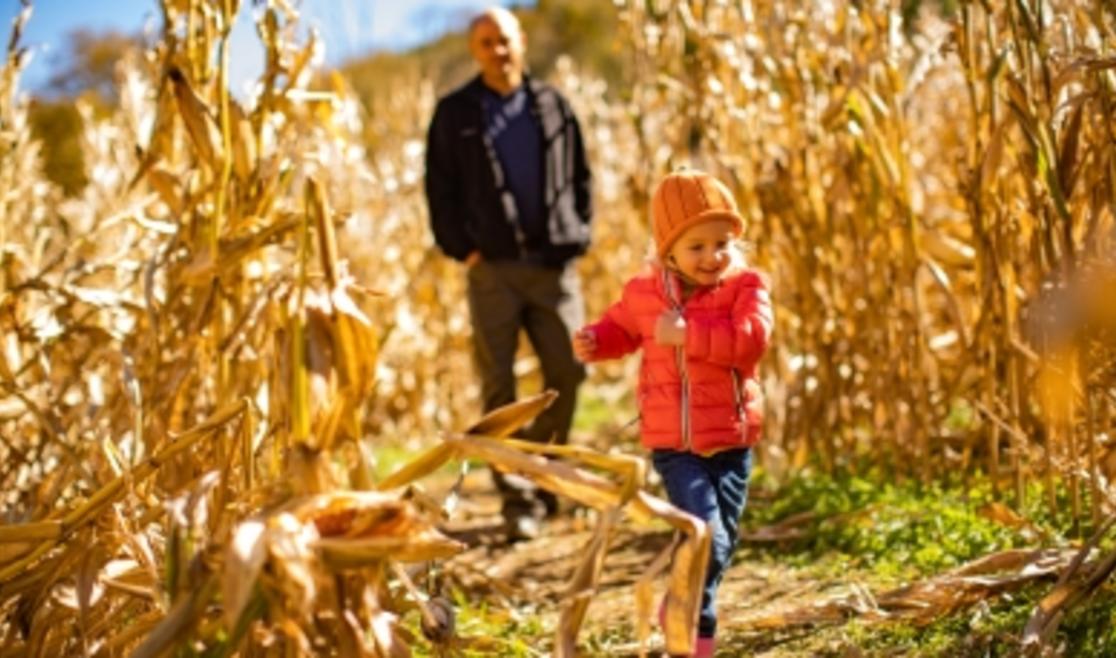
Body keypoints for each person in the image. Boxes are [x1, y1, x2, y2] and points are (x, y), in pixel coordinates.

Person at [572, 169, 773, 656]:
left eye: (721, 242)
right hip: (675, 446)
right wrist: (597, 341)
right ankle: (691, 634)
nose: (712, 257)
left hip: (730, 440)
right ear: (667, 249)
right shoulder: (645, 293)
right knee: (705, 537)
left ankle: (686, 621)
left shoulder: (746, 286)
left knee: (720, 544)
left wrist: (688, 336)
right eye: (696, 246)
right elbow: (621, 327)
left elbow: (752, 341)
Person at [424, 7, 593, 541]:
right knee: (499, 386)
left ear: (521, 42)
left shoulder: (553, 104)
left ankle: (545, 478)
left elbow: (581, 175)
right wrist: (464, 249)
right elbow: (439, 188)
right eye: (486, 43)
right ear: (476, 51)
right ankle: (516, 501)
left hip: (552, 265)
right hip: (491, 270)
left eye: (505, 40)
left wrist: (577, 231)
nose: (498, 50)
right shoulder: (455, 113)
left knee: (568, 369)